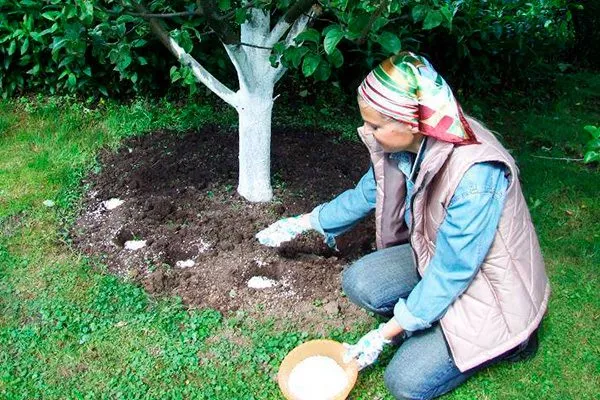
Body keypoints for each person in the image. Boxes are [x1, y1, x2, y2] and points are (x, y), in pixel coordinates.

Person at [256, 52, 549, 400]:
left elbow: (453, 273)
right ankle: (428, 315)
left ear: (408, 123)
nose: (366, 132)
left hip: (488, 289)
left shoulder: (474, 176)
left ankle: (511, 343)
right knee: (360, 281)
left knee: (405, 381)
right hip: (436, 256)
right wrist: (305, 222)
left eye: (375, 126)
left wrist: (387, 332)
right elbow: (366, 193)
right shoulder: (411, 142)